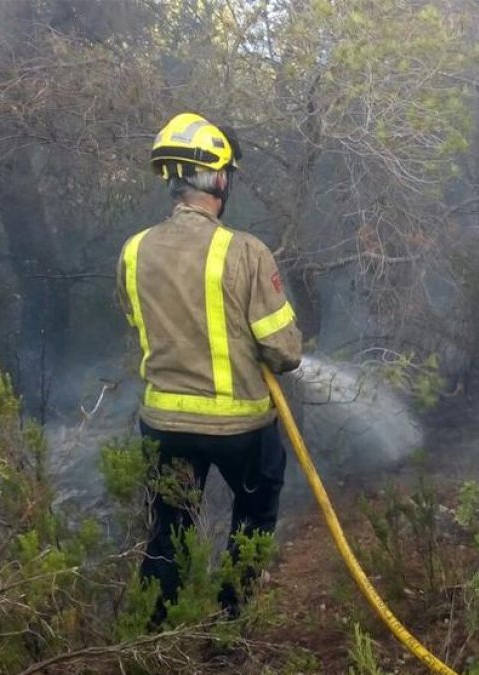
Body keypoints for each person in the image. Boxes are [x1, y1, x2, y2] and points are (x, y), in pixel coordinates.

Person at [116, 112, 302, 626]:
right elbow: (284, 351)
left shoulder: (134, 250)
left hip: (163, 424)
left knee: (168, 530)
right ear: (218, 178)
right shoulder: (244, 251)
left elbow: (138, 320)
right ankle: (229, 626)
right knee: (254, 514)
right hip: (239, 427)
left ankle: (156, 636)